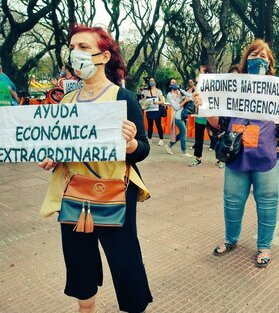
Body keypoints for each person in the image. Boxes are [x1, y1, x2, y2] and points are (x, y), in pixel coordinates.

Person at [38, 25, 152, 313]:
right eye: (73, 47)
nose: (75, 53)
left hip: (114, 192)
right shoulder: (66, 102)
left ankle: (134, 306)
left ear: (103, 56)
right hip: (73, 192)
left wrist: (129, 147)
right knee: (78, 259)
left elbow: (143, 147)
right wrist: (52, 157)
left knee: (124, 258)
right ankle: (85, 308)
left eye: (84, 48)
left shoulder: (121, 98)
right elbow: (61, 147)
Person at [194, 39, 279, 268]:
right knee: (232, 200)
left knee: (268, 201)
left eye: (264, 55)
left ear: (270, 62)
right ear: (246, 59)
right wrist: (205, 106)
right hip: (237, 154)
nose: (259, 58)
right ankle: (231, 240)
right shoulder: (232, 87)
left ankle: (265, 246)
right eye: (254, 54)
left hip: (268, 156)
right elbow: (218, 124)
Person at [189, 65, 213, 167]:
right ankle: (198, 158)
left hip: (211, 117)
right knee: (198, 138)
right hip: (200, 116)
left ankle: (221, 159)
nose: (199, 73)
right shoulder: (199, 85)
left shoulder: (213, 85)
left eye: (201, 71)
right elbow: (194, 95)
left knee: (215, 138)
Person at [165, 78, 193, 157]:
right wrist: (184, 101)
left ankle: (169, 145)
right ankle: (184, 152)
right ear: (170, 85)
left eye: (175, 82)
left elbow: (190, 96)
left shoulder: (179, 91)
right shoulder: (169, 95)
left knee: (181, 133)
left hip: (183, 115)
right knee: (184, 132)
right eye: (173, 82)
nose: (175, 84)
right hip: (176, 116)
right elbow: (176, 107)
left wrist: (186, 95)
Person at [144, 77, 166, 146]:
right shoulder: (147, 91)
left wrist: (156, 102)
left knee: (158, 125)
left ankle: (161, 139)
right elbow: (144, 101)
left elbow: (162, 101)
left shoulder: (158, 91)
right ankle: (149, 139)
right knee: (150, 126)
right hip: (149, 110)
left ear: (155, 82)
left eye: (153, 81)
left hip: (156, 110)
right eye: (150, 81)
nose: (151, 82)